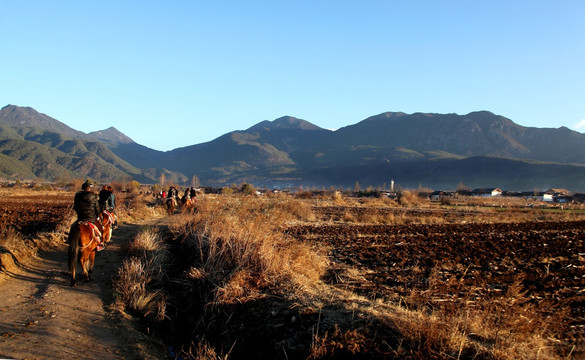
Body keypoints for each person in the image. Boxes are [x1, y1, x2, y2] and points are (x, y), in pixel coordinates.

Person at [67, 180, 104, 250]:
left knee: (72, 227)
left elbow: (76, 207)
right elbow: (97, 208)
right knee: (98, 233)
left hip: (80, 218)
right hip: (90, 219)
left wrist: (79, 213)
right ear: (89, 188)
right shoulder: (94, 197)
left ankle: (69, 240)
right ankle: (99, 244)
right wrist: (97, 216)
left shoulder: (77, 196)